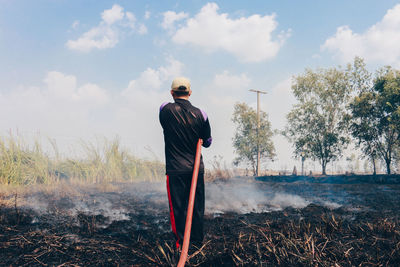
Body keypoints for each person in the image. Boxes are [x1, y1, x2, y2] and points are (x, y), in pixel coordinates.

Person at [159, 77, 212, 249]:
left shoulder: (165, 109)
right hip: (195, 170)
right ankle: (196, 242)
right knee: (196, 207)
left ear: (172, 93)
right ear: (190, 93)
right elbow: (208, 141)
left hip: (175, 169)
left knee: (178, 207)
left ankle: (181, 244)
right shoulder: (201, 114)